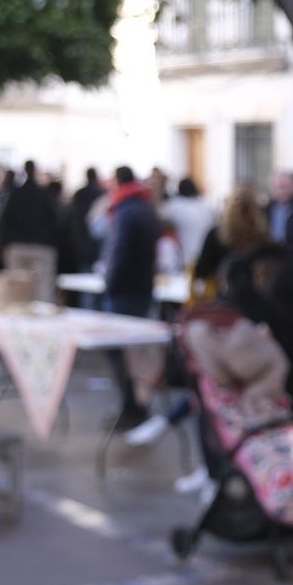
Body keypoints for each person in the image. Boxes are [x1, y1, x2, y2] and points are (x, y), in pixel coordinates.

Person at [101, 165, 161, 429]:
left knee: (122, 353)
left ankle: (132, 406)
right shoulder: (145, 207)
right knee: (133, 352)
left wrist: (110, 283)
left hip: (125, 290)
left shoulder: (126, 211)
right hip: (141, 288)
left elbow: (120, 253)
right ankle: (136, 403)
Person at [0, 159, 60, 300]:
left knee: (19, 293)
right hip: (39, 246)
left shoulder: (17, 195)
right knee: (41, 293)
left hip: (21, 245)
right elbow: (53, 221)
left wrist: (4, 243)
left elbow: (4, 221)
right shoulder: (43, 195)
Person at [162, 176, 215, 267]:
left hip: (187, 260)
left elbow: (160, 217)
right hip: (208, 257)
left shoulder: (175, 206)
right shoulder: (207, 205)